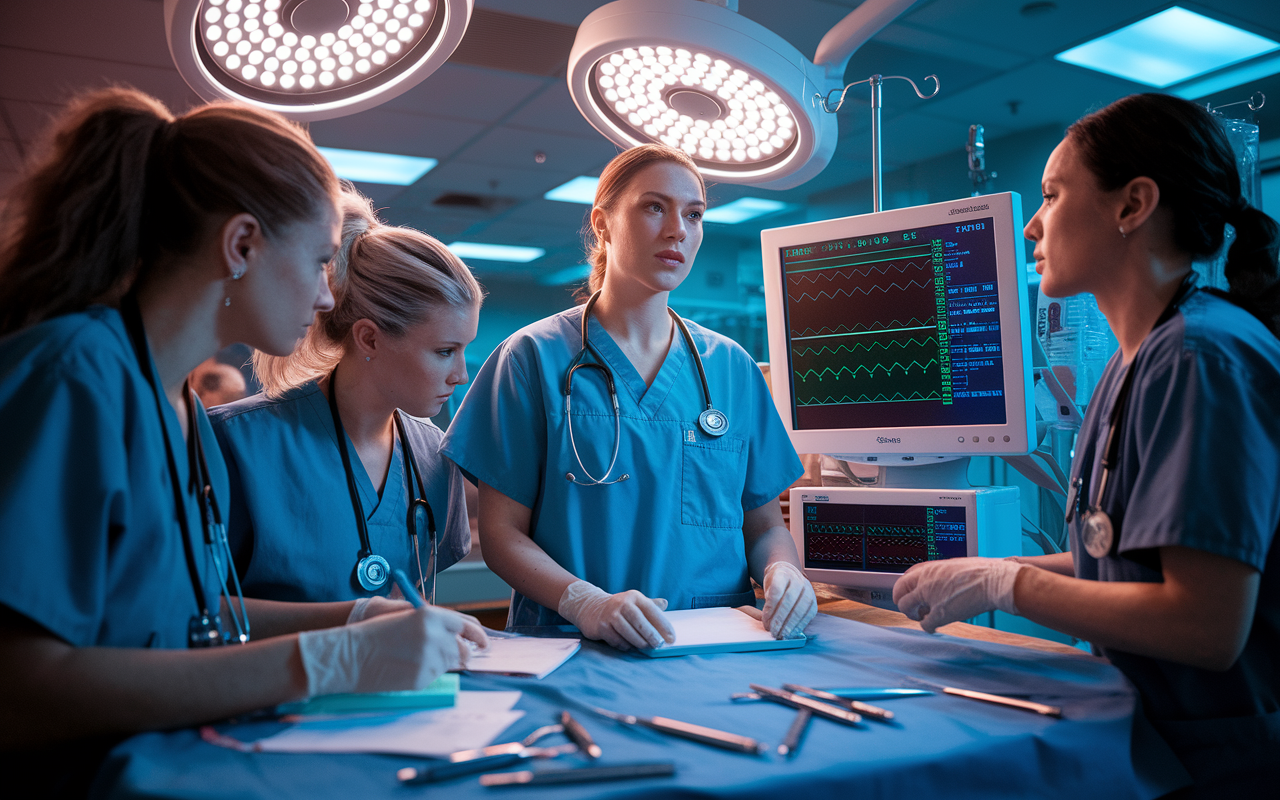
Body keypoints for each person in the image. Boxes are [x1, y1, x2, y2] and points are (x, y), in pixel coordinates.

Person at [0, 88, 480, 794]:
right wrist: (326, 660)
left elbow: (190, 617)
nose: (327, 300)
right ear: (241, 245)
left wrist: (354, 616)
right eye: (321, 261)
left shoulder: (181, 409)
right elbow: (18, 689)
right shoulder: (76, 375)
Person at [892, 94, 1280, 795]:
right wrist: (996, 566)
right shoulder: (1138, 360)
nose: (1033, 225)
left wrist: (1008, 585)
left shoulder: (1202, 360)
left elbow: (1205, 623)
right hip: (1157, 739)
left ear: (1132, 205)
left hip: (1226, 757)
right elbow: (1126, 561)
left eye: (1051, 193)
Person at [441, 143, 817, 650]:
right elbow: (503, 536)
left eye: (694, 214)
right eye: (653, 206)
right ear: (603, 223)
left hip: (718, 647)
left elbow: (764, 523)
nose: (677, 230)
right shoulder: (531, 358)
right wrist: (585, 602)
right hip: (571, 647)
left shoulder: (731, 369)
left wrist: (783, 571)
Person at [209, 189, 480, 607]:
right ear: (369, 337)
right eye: (445, 352)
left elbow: (416, 604)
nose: (461, 376)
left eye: (464, 351)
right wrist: (349, 625)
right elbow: (191, 608)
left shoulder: (435, 456)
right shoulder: (234, 441)